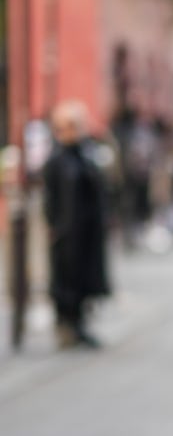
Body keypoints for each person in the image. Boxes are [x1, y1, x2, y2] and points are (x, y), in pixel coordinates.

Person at [42, 100, 110, 349]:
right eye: (68, 125)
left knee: (83, 279)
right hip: (67, 232)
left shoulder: (86, 154)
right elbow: (51, 199)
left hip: (87, 230)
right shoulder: (56, 160)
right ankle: (66, 325)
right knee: (66, 280)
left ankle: (79, 324)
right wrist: (56, 227)